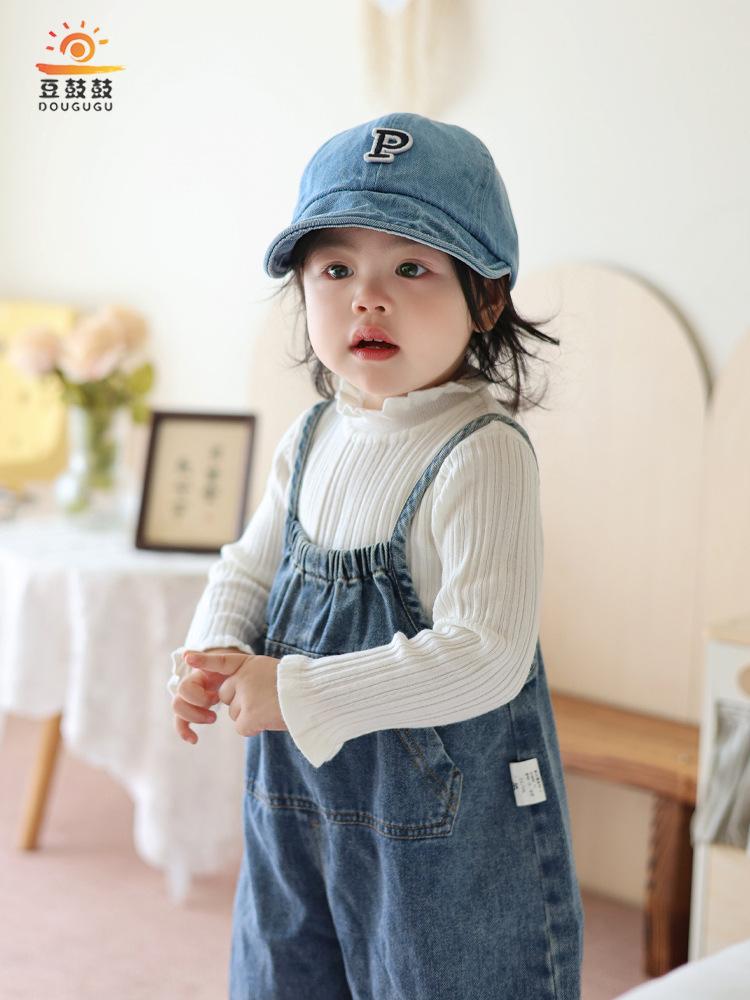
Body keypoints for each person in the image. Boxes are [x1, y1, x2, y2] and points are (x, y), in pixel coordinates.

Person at [168, 111, 585, 1000]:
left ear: (486, 299)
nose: (368, 297)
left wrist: (299, 690)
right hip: (298, 810)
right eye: (336, 270)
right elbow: (248, 566)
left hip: (443, 839)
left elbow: (488, 654)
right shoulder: (313, 434)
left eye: (411, 268)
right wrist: (215, 647)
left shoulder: (481, 452)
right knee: (285, 974)